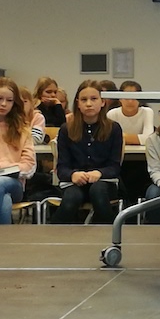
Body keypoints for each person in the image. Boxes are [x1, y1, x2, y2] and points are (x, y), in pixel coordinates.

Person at [51, 80, 123, 224]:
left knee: (98, 192)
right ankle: (55, 233)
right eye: (84, 100)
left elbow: (115, 167)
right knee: (71, 199)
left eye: (94, 99)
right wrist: (73, 174)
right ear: (78, 103)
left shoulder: (114, 128)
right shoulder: (66, 129)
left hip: (104, 182)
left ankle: (110, 232)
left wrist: (100, 173)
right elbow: (62, 168)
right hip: (75, 182)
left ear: (103, 102)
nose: (89, 104)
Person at [0, 77, 36, 225]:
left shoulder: (22, 130)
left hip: (13, 183)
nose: (3, 104)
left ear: (14, 103)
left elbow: (29, 166)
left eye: (9, 100)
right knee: (4, 200)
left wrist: (1, 169)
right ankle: (0, 238)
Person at [106, 80, 154, 206]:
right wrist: (136, 138)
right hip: (118, 159)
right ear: (120, 98)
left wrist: (121, 137)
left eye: (134, 97)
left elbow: (148, 138)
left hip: (142, 159)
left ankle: (137, 205)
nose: (130, 101)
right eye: (127, 96)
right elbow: (108, 138)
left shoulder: (147, 112)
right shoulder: (112, 114)